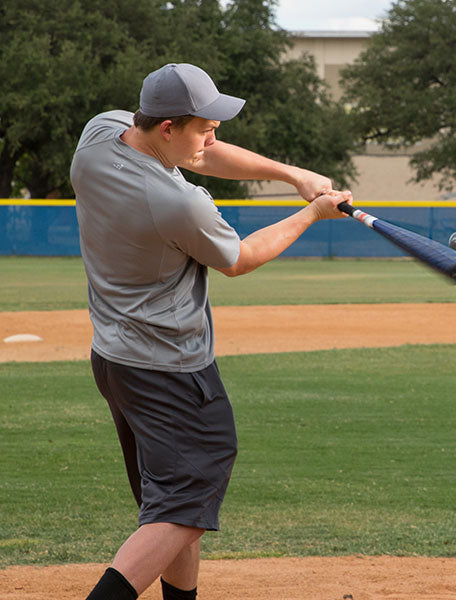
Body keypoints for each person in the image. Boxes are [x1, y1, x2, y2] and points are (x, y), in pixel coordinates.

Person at [70, 62, 351, 600]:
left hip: (116, 360)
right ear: (168, 128)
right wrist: (312, 212)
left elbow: (204, 153)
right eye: (204, 126)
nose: (214, 136)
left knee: (173, 504)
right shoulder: (178, 202)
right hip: (171, 370)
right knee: (183, 509)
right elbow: (240, 258)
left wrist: (292, 174)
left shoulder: (101, 135)